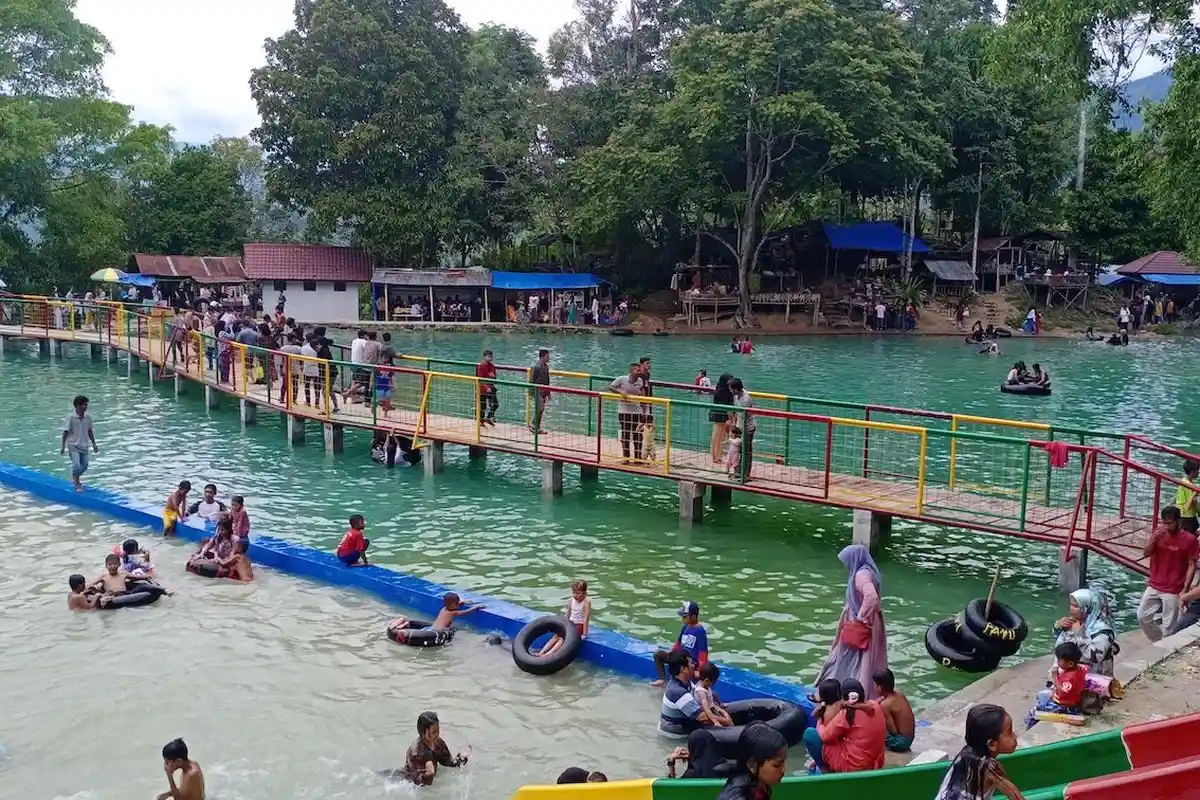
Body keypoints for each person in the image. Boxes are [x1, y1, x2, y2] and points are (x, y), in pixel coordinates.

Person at [814, 544, 887, 699]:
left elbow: (871, 596)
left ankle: (837, 691)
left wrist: (861, 616)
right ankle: (861, 690)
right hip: (870, 622)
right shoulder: (870, 571)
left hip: (859, 624)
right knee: (865, 660)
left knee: (847, 656)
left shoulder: (861, 575)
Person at [934, 704, 1023, 800]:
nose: (1015, 736)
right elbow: (1016, 797)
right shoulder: (990, 768)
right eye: (1009, 732)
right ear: (992, 744)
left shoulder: (963, 756)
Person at [1138, 505, 1198, 641]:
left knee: (1169, 625)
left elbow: (1191, 565)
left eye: (1169, 523)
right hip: (1154, 584)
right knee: (1142, 616)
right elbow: (1145, 553)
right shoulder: (1158, 534)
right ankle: (1158, 641)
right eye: (1164, 523)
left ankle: (1164, 647)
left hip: (1173, 588)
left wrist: (1185, 589)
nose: (1166, 527)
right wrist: (1153, 539)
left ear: (1179, 522)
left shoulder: (1190, 539)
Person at [803, 678, 885, 774]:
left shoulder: (847, 713)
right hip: (876, 763)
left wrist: (819, 720)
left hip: (854, 767)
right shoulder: (875, 705)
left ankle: (824, 769)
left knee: (810, 734)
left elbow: (825, 737)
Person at [715, 723, 788, 800]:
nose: (784, 770)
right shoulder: (737, 796)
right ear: (752, 765)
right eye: (776, 765)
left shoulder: (760, 784)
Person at [1053, 587, 1117, 675]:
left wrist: (1080, 635)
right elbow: (1060, 647)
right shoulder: (1073, 623)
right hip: (1066, 677)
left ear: (1088, 608)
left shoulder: (1102, 631)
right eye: (1071, 604)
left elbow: (1095, 657)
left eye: (1075, 606)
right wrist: (1058, 626)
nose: (1071, 608)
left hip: (1093, 680)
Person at [397, 710, 468, 786]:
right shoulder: (416, 753)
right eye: (434, 732)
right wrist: (429, 775)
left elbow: (448, 762)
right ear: (423, 733)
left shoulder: (438, 743)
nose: (437, 734)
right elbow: (418, 783)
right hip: (404, 782)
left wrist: (462, 758)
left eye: (438, 730)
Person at [652, 600, 709, 686]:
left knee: (679, 668)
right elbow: (678, 643)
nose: (682, 619)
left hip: (690, 663)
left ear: (693, 617)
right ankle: (662, 679)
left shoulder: (700, 631)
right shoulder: (685, 627)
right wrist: (670, 654)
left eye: (685, 617)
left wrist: (699, 670)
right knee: (657, 654)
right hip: (680, 657)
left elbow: (703, 654)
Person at [659, 650, 709, 733]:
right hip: (676, 735)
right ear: (684, 669)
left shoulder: (685, 682)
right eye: (691, 663)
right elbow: (703, 717)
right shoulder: (678, 692)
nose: (693, 665)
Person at [539, 579, 590, 657]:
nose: (575, 595)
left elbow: (586, 618)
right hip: (570, 623)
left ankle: (548, 654)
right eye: (574, 593)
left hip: (579, 625)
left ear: (584, 593)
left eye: (578, 593)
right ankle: (541, 652)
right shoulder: (571, 600)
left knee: (562, 639)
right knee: (556, 636)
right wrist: (563, 624)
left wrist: (584, 634)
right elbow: (568, 614)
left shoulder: (586, 603)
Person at [1034, 641, 1086, 716]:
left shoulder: (1070, 678)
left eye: (1059, 660)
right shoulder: (1079, 669)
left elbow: (1061, 693)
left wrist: (1055, 676)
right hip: (1073, 699)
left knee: (1038, 701)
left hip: (1065, 706)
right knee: (1043, 694)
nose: (1057, 662)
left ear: (1070, 664)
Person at [60, 394, 98, 492]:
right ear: (77, 405)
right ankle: (77, 482)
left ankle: (75, 477)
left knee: (85, 465)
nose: (85, 407)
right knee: (76, 465)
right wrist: (63, 446)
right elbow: (65, 432)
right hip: (73, 445)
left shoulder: (87, 417)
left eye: (86, 405)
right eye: (83, 405)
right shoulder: (71, 418)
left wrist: (94, 444)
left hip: (84, 445)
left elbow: (90, 431)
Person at [612, 362, 647, 463]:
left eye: (640, 370)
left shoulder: (640, 381)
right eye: (637, 370)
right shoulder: (621, 379)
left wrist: (644, 411)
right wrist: (620, 392)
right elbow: (611, 387)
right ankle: (626, 457)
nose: (639, 372)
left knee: (638, 435)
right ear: (631, 372)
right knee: (626, 434)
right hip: (624, 411)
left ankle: (637, 457)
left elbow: (642, 393)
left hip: (637, 412)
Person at [873, 668, 915, 752]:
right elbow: (883, 698)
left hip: (900, 742)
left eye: (875, 685)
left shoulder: (885, 706)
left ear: (880, 688)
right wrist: (874, 703)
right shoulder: (898, 693)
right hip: (910, 737)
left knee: (874, 729)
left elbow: (893, 731)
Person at [729, 378, 755, 481]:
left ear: (736, 389)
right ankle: (739, 471)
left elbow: (746, 415)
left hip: (748, 427)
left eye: (731, 388)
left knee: (746, 451)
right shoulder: (737, 396)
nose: (730, 390)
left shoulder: (745, 399)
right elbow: (737, 411)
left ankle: (746, 474)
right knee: (739, 450)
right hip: (740, 425)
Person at [695, 662, 734, 727]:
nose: (715, 684)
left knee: (728, 718)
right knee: (728, 722)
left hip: (712, 708)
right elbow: (706, 708)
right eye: (714, 682)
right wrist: (715, 721)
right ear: (706, 680)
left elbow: (713, 695)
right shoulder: (701, 692)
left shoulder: (704, 685)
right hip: (707, 713)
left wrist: (720, 704)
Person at [710, 374, 734, 462]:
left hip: (720, 415)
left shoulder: (721, 389)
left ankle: (718, 455)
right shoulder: (723, 392)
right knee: (718, 436)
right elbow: (727, 406)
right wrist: (730, 418)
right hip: (721, 416)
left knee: (719, 436)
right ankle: (716, 456)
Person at [529, 348, 551, 434]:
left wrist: (549, 392)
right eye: (547, 356)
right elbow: (531, 380)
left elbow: (547, 380)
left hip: (544, 391)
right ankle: (533, 423)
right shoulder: (536, 367)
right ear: (543, 357)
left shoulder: (546, 367)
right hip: (537, 390)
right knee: (540, 407)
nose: (549, 358)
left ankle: (537, 427)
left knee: (541, 409)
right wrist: (531, 393)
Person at [476, 350, 499, 426]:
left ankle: (488, 418)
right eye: (488, 357)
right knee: (483, 405)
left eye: (491, 357)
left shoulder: (492, 366)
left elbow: (494, 376)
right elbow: (480, 378)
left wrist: (493, 377)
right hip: (483, 388)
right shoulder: (481, 366)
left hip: (491, 387)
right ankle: (481, 422)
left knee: (495, 404)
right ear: (484, 357)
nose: (490, 358)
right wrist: (486, 387)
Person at [1175, 460, 1199, 533]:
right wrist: (1195, 492)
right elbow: (1188, 506)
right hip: (1188, 518)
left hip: (1182, 515)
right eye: (1197, 470)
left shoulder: (1183, 480)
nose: (1198, 472)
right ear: (1192, 472)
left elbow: (1177, 496)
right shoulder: (1190, 486)